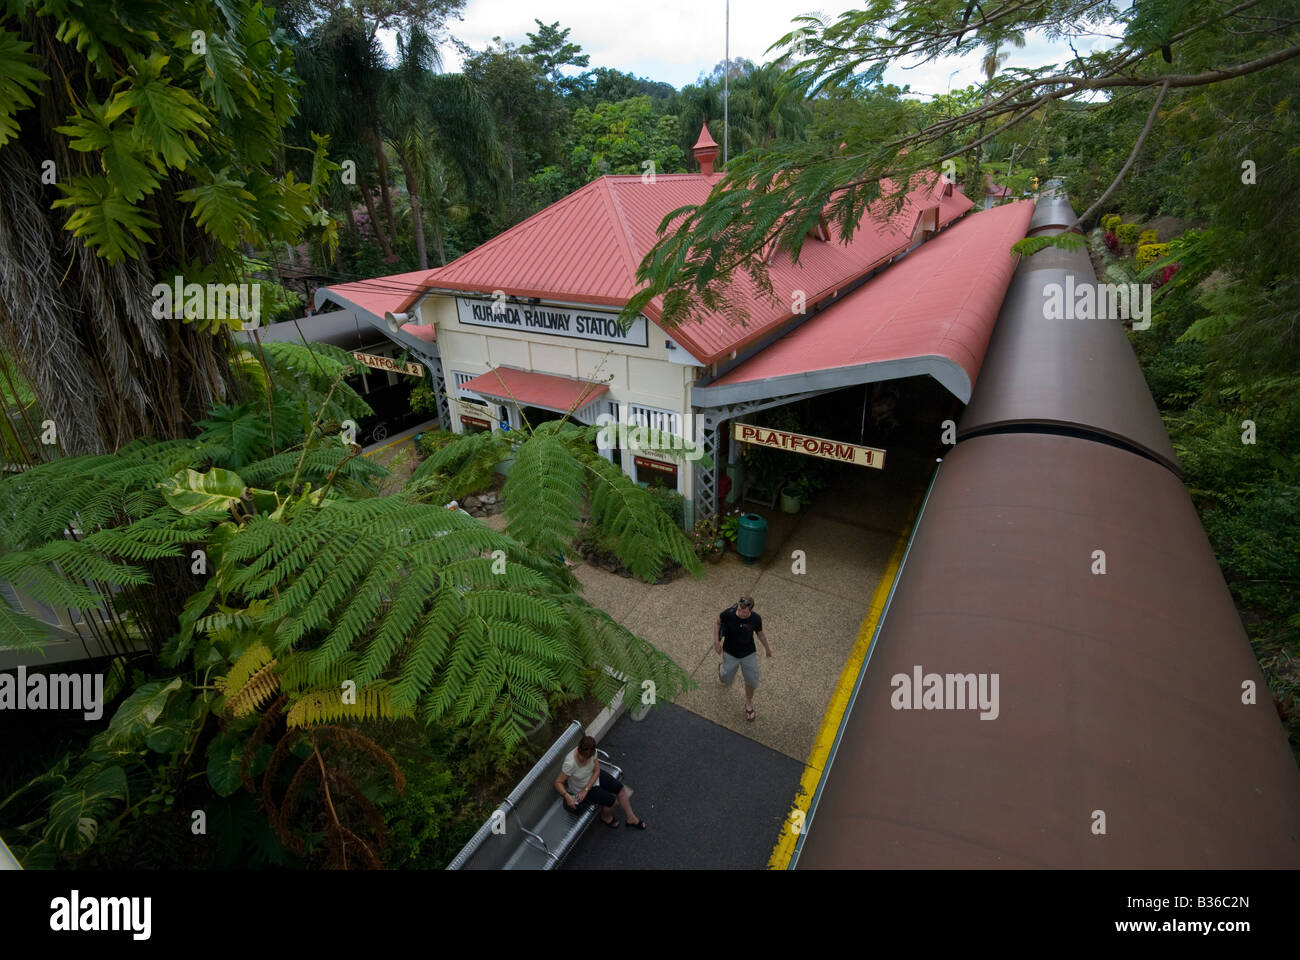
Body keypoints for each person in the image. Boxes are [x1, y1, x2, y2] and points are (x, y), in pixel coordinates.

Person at [554, 734, 646, 830]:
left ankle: (631, 818)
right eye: (583, 758)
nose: (585, 760)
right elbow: (558, 782)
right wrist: (567, 796)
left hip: (591, 781)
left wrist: (586, 789)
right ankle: (605, 817)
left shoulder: (592, 752)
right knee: (612, 801)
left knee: (620, 788)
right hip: (581, 788)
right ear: (579, 750)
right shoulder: (570, 763)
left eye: (588, 758)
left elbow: (597, 770)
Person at [714, 594, 773, 721]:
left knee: (751, 681)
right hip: (730, 653)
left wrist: (767, 648)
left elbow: (760, 634)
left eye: (744, 612)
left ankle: (749, 704)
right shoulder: (729, 614)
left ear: (750, 611)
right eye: (739, 610)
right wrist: (716, 642)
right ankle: (722, 669)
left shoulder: (756, 619)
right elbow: (718, 623)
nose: (740, 613)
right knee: (726, 679)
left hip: (748, 653)